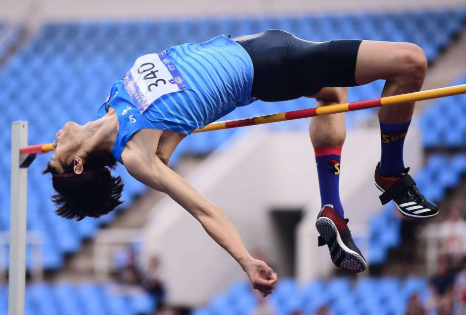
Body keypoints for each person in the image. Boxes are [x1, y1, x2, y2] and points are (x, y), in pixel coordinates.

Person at [43, 29, 439, 294]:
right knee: (411, 61)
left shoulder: (111, 104)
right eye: (56, 158)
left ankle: (333, 210)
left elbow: (173, 113)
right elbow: (205, 211)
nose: (52, 143)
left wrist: (175, 134)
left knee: (332, 97)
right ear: (77, 165)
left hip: (254, 43)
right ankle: (389, 172)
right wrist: (247, 261)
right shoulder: (136, 155)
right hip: (272, 68)